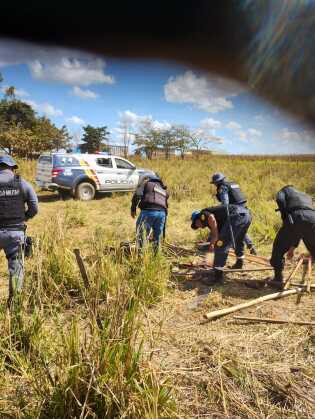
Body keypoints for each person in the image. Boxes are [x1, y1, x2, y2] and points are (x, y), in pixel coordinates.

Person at [0, 155, 38, 306]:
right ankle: (13, 305)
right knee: (16, 269)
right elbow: (34, 208)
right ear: (13, 168)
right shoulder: (22, 183)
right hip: (15, 233)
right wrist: (23, 218)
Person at [191, 204, 252, 284]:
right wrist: (211, 244)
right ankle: (239, 262)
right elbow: (215, 234)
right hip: (246, 215)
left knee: (221, 244)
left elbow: (211, 219)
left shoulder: (203, 214)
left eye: (197, 225)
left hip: (236, 216)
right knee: (238, 239)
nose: (200, 227)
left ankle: (217, 276)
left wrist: (215, 238)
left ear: (197, 219)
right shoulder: (219, 220)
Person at [269, 185, 315, 290]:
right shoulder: (304, 195)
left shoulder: (283, 191)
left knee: (278, 247)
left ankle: (278, 278)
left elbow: (280, 200)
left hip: (296, 218)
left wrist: (285, 216)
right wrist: (292, 248)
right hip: (313, 219)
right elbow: (299, 231)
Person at [210, 172, 257, 260]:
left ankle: (233, 252)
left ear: (217, 182)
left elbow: (225, 203)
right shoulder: (233, 184)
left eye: (215, 183)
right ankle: (251, 246)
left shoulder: (223, 187)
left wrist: (222, 213)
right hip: (244, 209)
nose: (215, 185)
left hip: (236, 210)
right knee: (241, 229)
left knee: (234, 229)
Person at [131, 174, 169, 253]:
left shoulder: (147, 183)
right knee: (157, 239)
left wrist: (133, 209)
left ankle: (141, 257)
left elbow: (137, 194)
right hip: (162, 214)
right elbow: (166, 208)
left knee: (141, 236)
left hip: (149, 211)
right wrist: (164, 234)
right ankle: (156, 257)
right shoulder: (163, 190)